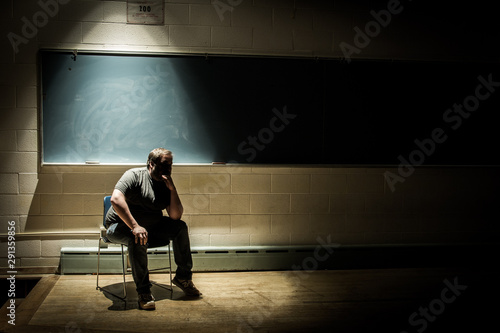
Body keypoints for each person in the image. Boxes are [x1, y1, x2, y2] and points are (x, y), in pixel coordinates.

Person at [105, 148, 201, 310]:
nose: (168, 169)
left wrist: (172, 189)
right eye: (164, 165)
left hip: (150, 226)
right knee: (136, 237)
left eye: (170, 165)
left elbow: (175, 215)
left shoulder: (165, 183)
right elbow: (115, 199)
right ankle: (144, 292)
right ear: (151, 164)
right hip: (120, 226)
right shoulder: (134, 175)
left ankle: (183, 277)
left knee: (180, 227)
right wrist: (134, 226)